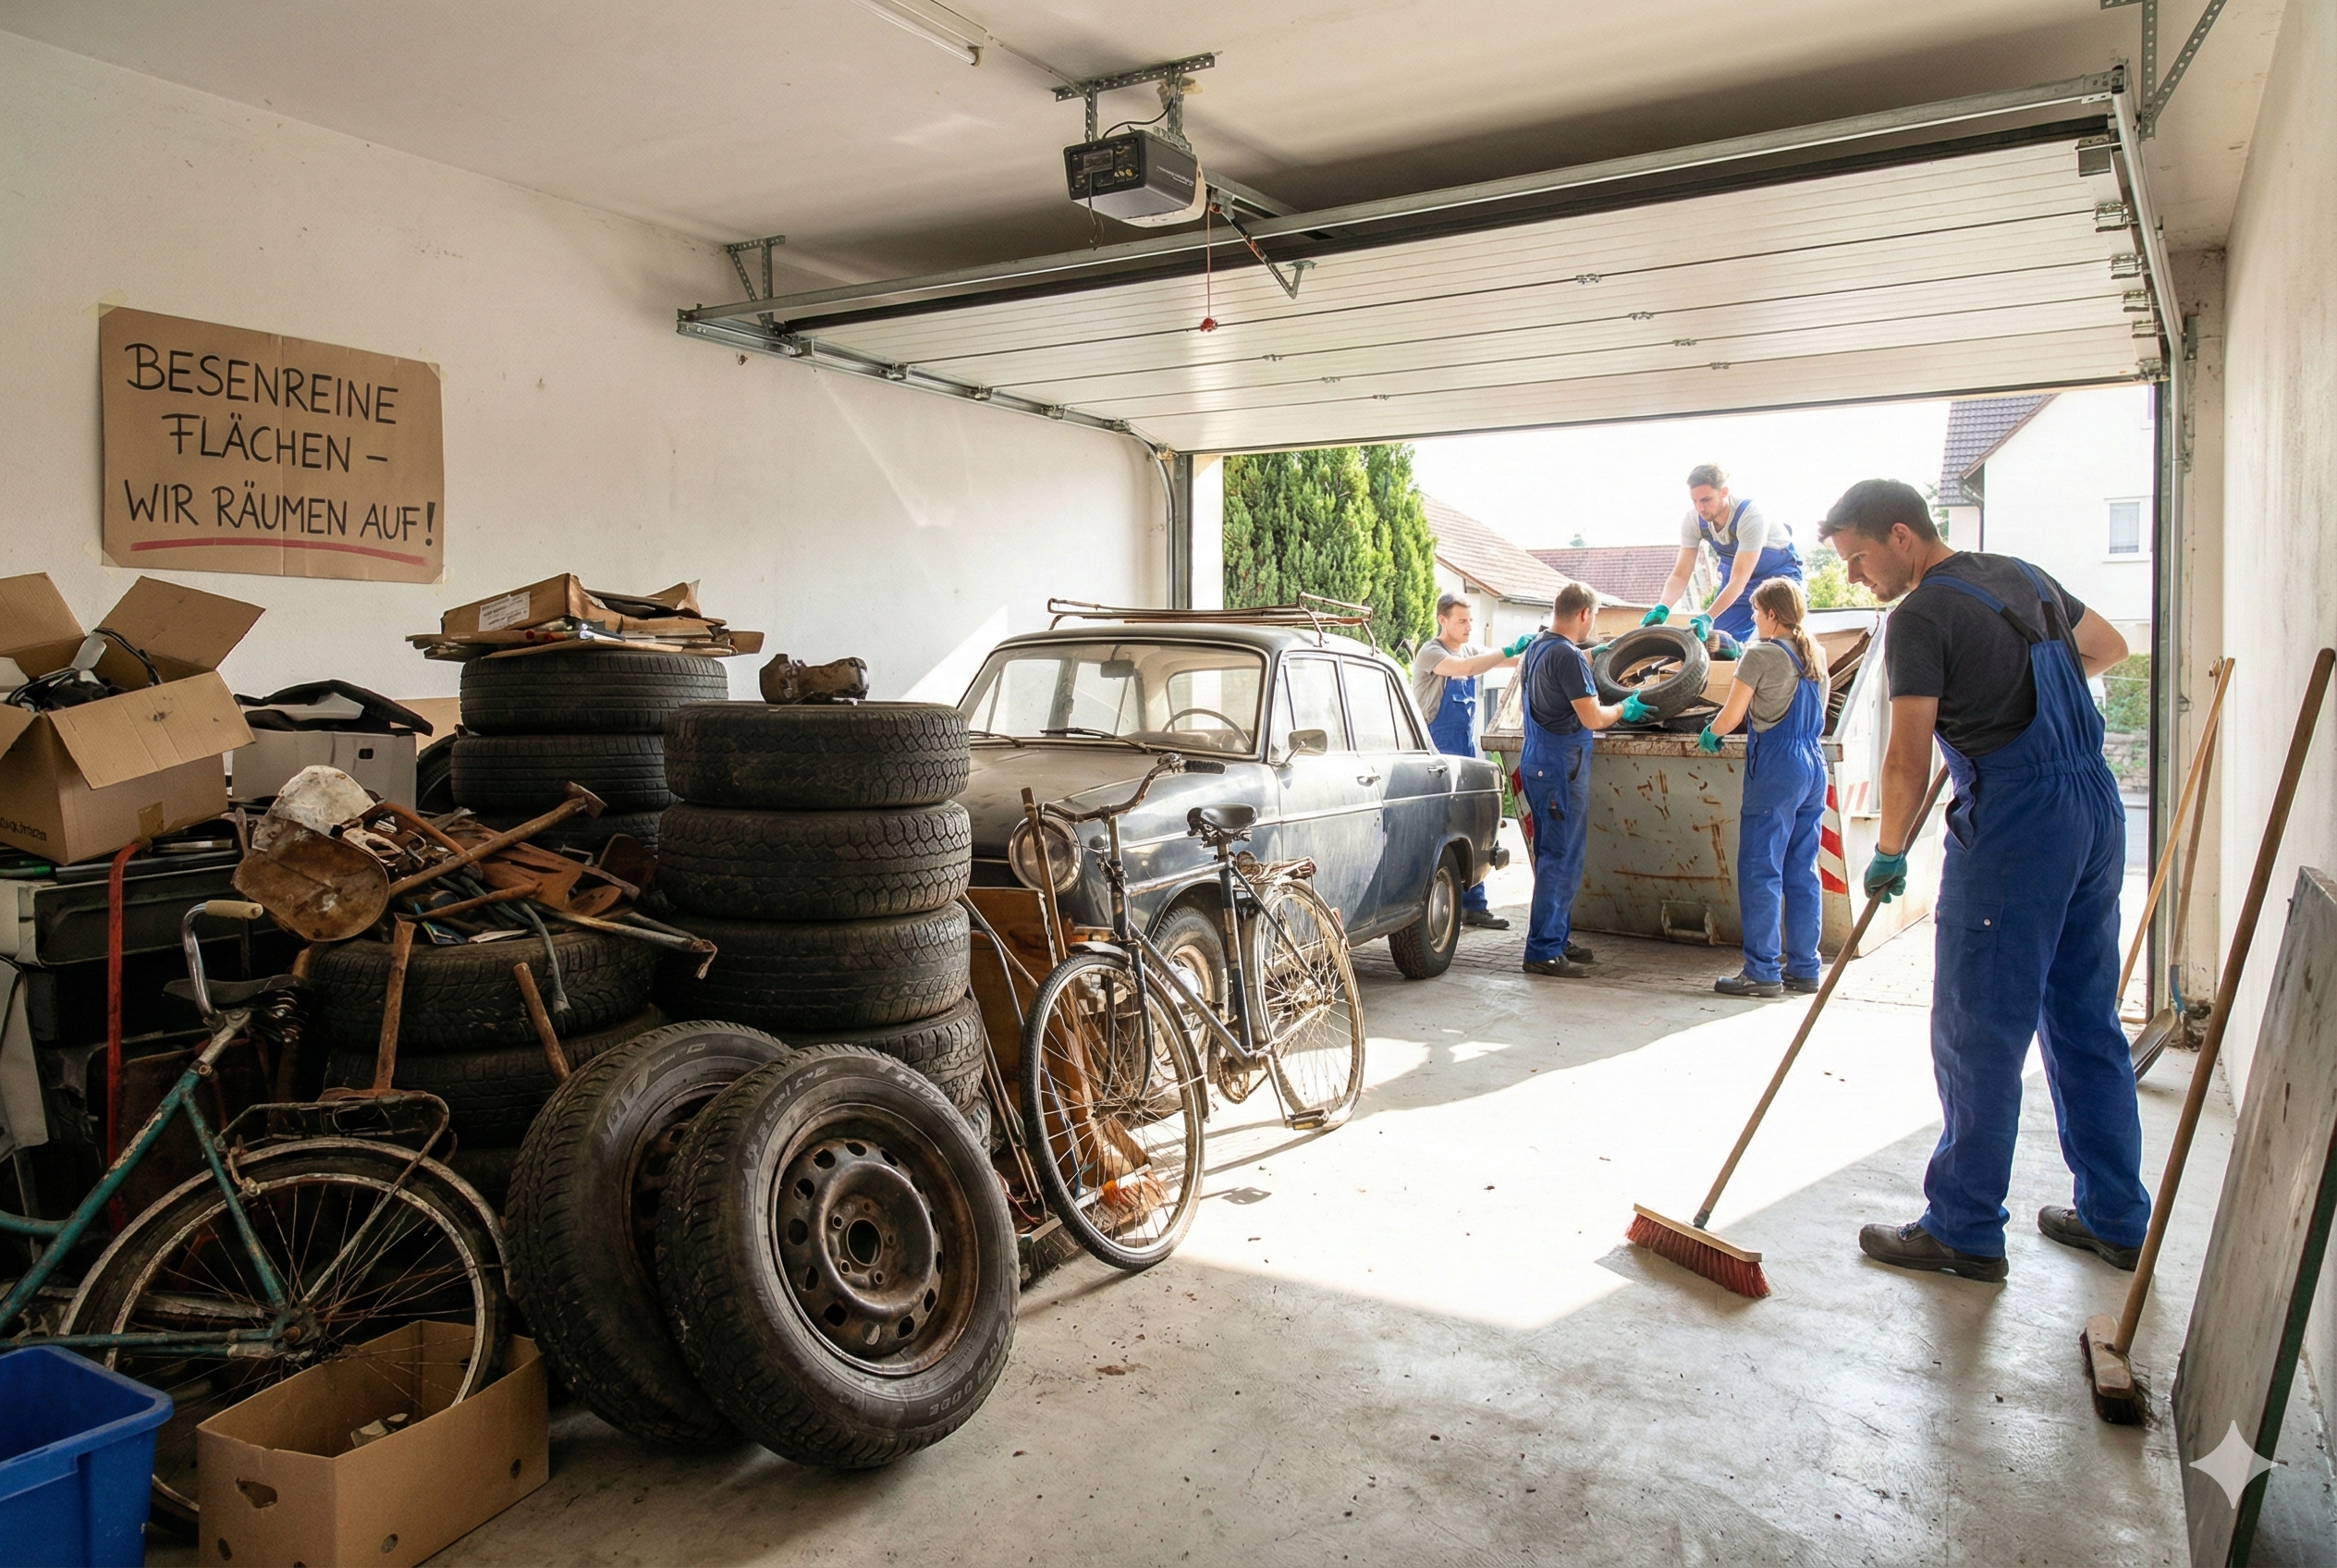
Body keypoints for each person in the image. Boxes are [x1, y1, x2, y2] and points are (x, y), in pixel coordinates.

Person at [1820, 478, 2147, 1283]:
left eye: (1859, 559)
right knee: (2084, 1018)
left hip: (2018, 828)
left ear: (1902, 536)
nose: (1857, 578)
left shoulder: (1921, 616)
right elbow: (2108, 646)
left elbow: (1905, 754)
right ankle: (2115, 1218)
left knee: (1979, 1030)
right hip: (2095, 811)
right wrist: (2000, 703)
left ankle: (1963, 1226)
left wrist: (1890, 848)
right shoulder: (2022, 574)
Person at [1698, 579, 1829, 998]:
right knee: (1802, 869)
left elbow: (1732, 716)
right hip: (1813, 763)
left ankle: (1761, 972)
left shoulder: (1761, 653)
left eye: (1756, 611)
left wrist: (1710, 734)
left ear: (1772, 614)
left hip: (1777, 766)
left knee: (1760, 870)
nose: (1752, 618)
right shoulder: (1817, 653)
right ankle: (1805, 968)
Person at [1517, 582, 1646, 978]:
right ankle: (1543, 951)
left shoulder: (1538, 648)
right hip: (1561, 770)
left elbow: (1567, 668)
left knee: (1553, 855)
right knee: (1561, 859)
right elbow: (1592, 718)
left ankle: (1555, 936)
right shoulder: (1567, 657)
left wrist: (1607, 650)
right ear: (1584, 615)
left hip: (1539, 762)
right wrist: (1625, 706)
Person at [1410, 594, 1531, 928]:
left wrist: (1533, 648)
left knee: (1472, 824)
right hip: (1436, 752)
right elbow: (1465, 670)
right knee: (1443, 827)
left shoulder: (1469, 650)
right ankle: (1433, 903)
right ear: (1442, 620)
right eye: (1461, 621)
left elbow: (1503, 662)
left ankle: (1474, 906)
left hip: (1465, 750)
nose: (1468, 627)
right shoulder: (1432, 652)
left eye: (1470, 621)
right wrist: (1506, 651)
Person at [1646, 462, 1805, 644]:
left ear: (1724, 492)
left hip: (1778, 576)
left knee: (1781, 639)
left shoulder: (1751, 516)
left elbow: (1740, 579)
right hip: (1737, 580)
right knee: (1718, 643)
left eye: (1706, 500)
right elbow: (1680, 575)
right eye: (1694, 501)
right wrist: (1662, 607)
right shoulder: (1693, 521)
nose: (1700, 508)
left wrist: (1707, 616)